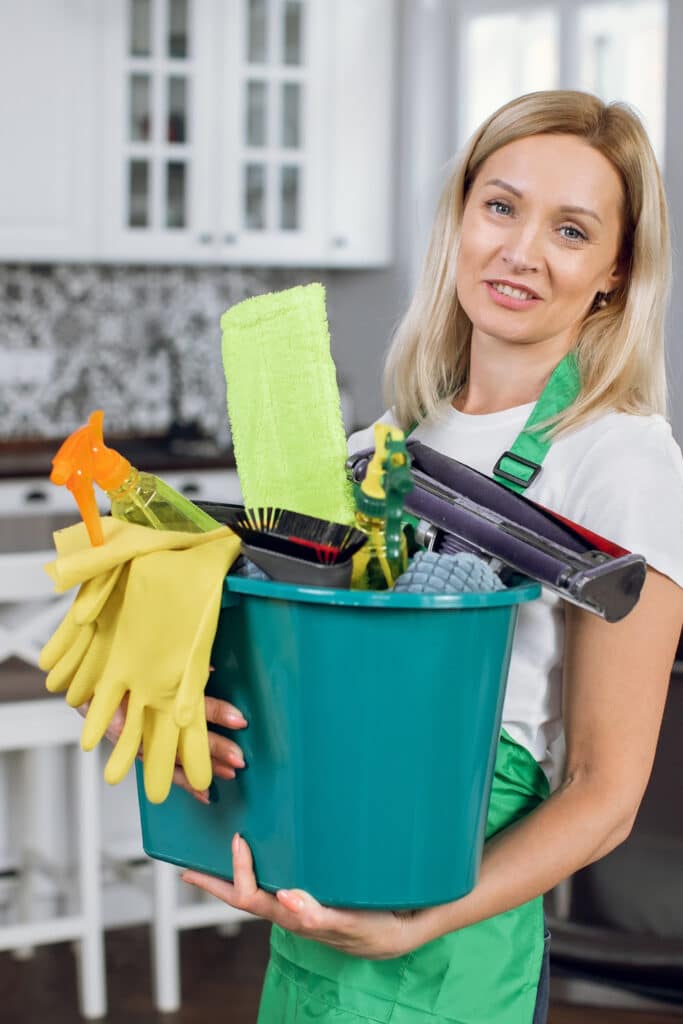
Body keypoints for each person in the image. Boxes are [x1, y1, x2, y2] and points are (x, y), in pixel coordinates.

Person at [179, 90, 683, 1022]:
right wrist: (196, 714)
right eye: (500, 205)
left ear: (615, 270)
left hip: (454, 934)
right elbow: (300, 679)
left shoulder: (620, 456)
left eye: (570, 230)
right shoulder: (388, 441)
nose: (520, 251)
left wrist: (423, 921)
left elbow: (604, 794)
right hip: (314, 909)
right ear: (459, 217)